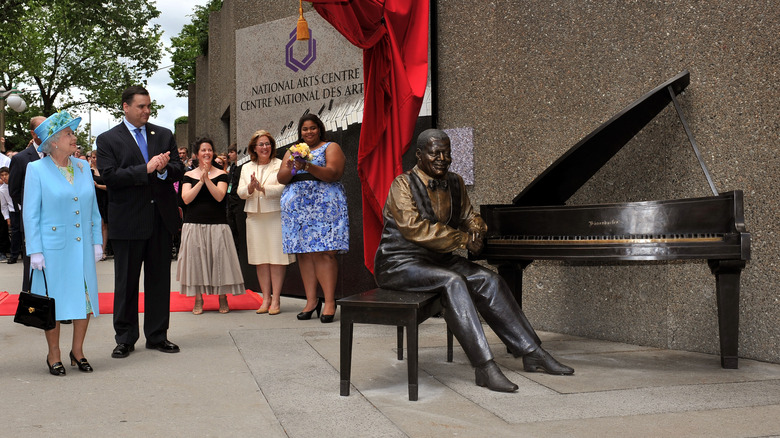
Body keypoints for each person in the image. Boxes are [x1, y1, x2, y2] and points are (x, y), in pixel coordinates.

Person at [373, 129, 574, 393]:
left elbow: (469, 215)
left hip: (438, 260)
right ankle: (484, 367)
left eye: (447, 153)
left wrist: (477, 228)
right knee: (453, 282)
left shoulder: (455, 182)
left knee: (489, 279)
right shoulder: (402, 184)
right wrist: (463, 240)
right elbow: (414, 228)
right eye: (436, 153)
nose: (443, 158)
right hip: (399, 263)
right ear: (420, 155)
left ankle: (532, 351)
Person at [96, 85, 184, 358]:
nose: (146, 111)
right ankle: (125, 337)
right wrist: (144, 169)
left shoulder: (164, 134)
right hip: (128, 221)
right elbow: (109, 177)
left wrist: (162, 170)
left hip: (160, 220)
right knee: (126, 283)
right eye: (141, 106)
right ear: (125, 106)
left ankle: (158, 335)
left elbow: (179, 169)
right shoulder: (108, 139)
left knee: (159, 281)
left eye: (149, 106)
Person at [23, 111, 102, 376]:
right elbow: (31, 213)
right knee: (53, 302)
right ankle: (53, 353)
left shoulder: (82, 167)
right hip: (52, 249)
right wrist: (34, 250)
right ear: (54, 141)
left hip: (81, 247)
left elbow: (92, 208)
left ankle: (77, 351)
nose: (74, 137)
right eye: (69, 133)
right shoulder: (36, 169)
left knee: (85, 299)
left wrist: (97, 241)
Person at [277, 114, 349, 323]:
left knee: (324, 253)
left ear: (320, 129)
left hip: (324, 206)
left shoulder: (330, 147)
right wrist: (293, 165)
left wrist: (307, 165)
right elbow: (281, 177)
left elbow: (334, 173)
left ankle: (329, 302)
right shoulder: (293, 150)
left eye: (312, 128)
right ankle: (310, 301)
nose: (309, 132)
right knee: (304, 255)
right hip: (298, 209)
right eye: (305, 129)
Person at [177, 137, 244, 314]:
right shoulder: (188, 175)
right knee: (196, 262)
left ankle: (223, 297)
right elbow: (186, 199)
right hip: (193, 224)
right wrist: (200, 180)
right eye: (203, 150)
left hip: (217, 224)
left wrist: (207, 179)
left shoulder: (222, 174)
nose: (207, 153)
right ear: (197, 154)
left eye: (209, 150)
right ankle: (198, 300)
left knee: (220, 261)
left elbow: (220, 196)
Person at [238, 130, 294, 315]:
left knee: (276, 259)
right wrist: (250, 187)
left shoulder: (281, 164)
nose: (264, 147)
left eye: (267, 144)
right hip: (254, 217)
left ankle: (276, 300)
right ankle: (266, 299)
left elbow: (283, 188)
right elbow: (240, 192)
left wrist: (263, 189)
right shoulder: (246, 167)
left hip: (275, 215)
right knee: (260, 259)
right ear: (254, 147)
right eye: (261, 144)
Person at [8, 116, 46, 270]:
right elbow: (14, 190)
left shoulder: (55, 156)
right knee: (33, 267)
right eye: (42, 128)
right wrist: (32, 205)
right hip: (33, 220)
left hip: (56, 221)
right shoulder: (21, 158)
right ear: (33, 133)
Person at [87, 151, 109, 259]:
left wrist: (98, 186)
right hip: (94, 200)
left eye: (96, 157)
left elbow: (110, 187)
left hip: (105, 199)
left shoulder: (105, 171)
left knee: (104, 225)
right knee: (97, 224)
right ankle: (95, 248)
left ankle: (103, 250)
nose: (94, 159)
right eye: (92, 157)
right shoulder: (88, 171)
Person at [0, 166, 11, 261]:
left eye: (6, 175)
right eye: (2, 175)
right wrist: (7, 218)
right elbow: (4, 206)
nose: (4, 177)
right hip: (10, 211)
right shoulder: (2, 190)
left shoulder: (16, 184)